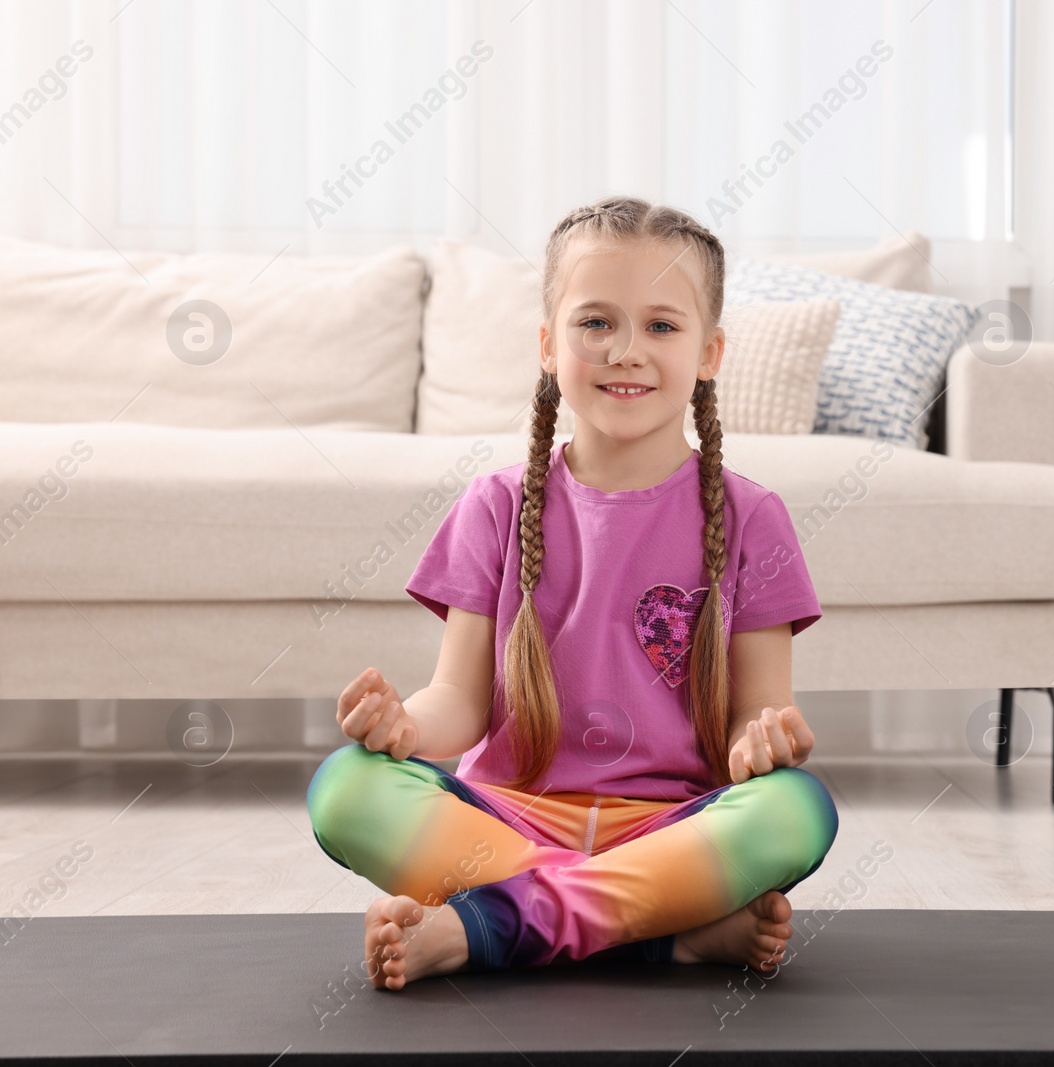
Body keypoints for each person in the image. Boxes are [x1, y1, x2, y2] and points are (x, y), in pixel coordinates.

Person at [304, 195, 839, 990]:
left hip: (669, 829)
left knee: (796, 807)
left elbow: (747, 728)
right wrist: (404, 726)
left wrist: (763, 743)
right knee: (345, 789)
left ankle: (490, 925)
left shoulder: (753, 517)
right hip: (511, 819)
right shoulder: (494, 506)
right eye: (596, 323)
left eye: (661, 326)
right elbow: (460, 699)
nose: (626, 350)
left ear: (710, 352)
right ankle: (661, 933)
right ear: (550, 345)